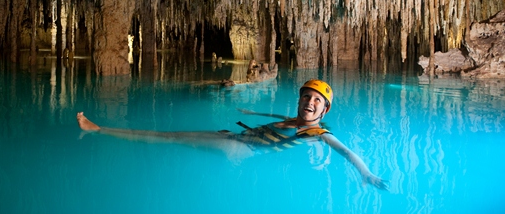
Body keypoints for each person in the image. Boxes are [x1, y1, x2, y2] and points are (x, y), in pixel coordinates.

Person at [77, 79, 388, 190]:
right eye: (306, 97)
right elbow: (278, 118)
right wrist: (253, 116)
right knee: (172, 136)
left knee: (169, 136)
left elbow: (345, 151)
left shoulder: (317, 133)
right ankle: (103, 130)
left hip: (239, 150)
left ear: (325, 110)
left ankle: (100, 129)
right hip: (235, 138)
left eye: (316, 100)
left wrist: (367, 174)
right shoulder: (294, 119)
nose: (310, 103)